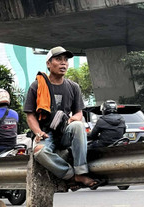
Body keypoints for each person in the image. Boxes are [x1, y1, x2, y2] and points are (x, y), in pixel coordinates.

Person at [24, 46, 106, 190]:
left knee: (79, 125)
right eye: (58, 59)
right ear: (48, 64)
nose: (63, 63)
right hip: (45, 133)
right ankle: (70, 175)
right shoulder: (37, 86)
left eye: (65, 60)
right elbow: (30, 115)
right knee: (39, 151)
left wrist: (71, 120)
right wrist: (37, 132)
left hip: (65, 131)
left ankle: (81, 171)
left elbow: (79, 113)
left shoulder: (73, 87)